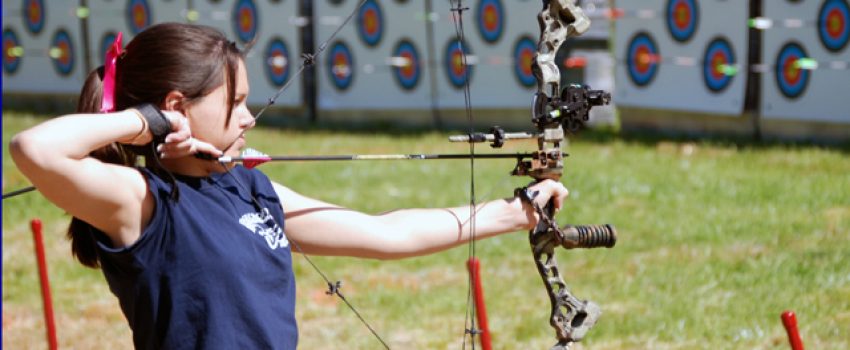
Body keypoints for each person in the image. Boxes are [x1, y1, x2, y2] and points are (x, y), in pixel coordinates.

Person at [10, 23, 568, 349]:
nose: (249, 117)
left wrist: (516, 212)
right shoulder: (142, 201)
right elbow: (34, 149)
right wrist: (148, 123)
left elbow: (386, 233)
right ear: (177, 106)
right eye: (235, 103)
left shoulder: (252, 191)